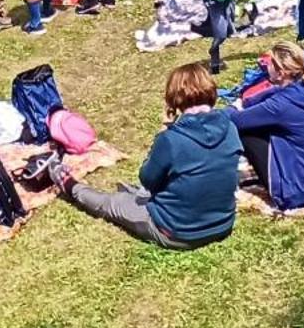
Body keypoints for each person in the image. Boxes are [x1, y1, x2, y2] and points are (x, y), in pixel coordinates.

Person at [41, 63, 238, 250]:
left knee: (111, 203)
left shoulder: (172, 139)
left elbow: (148, 180)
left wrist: (163, 132)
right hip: (223, 223)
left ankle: (68, 184)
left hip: (177, 232)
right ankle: (132, 195)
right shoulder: (229, 127)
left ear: (175, 98)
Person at [230, 43, 304, 211]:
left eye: (268, 63)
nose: (264, 66)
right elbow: (267, 96)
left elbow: (235, 120)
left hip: (299, 193)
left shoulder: (281, 105)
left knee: (247, 133)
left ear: (281, 72)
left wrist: (233, 107)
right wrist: (248, 101)